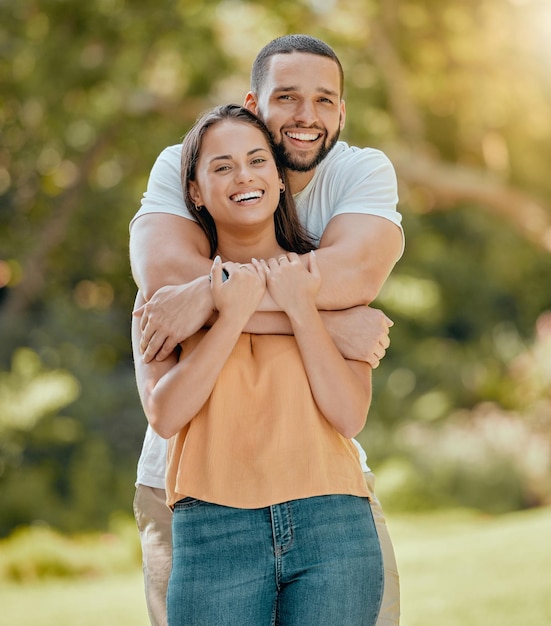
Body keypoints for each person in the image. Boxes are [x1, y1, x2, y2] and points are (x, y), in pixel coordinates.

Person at [131, 35, 404, 626]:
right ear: (254, 104)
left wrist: (226, 301)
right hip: (192, 499)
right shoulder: (178, 160)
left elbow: (354, 275)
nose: (307, 116)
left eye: (324, 100)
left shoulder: (360, 172)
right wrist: (327, 319)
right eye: (287, 97)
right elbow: (164, 283)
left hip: (326, 501)